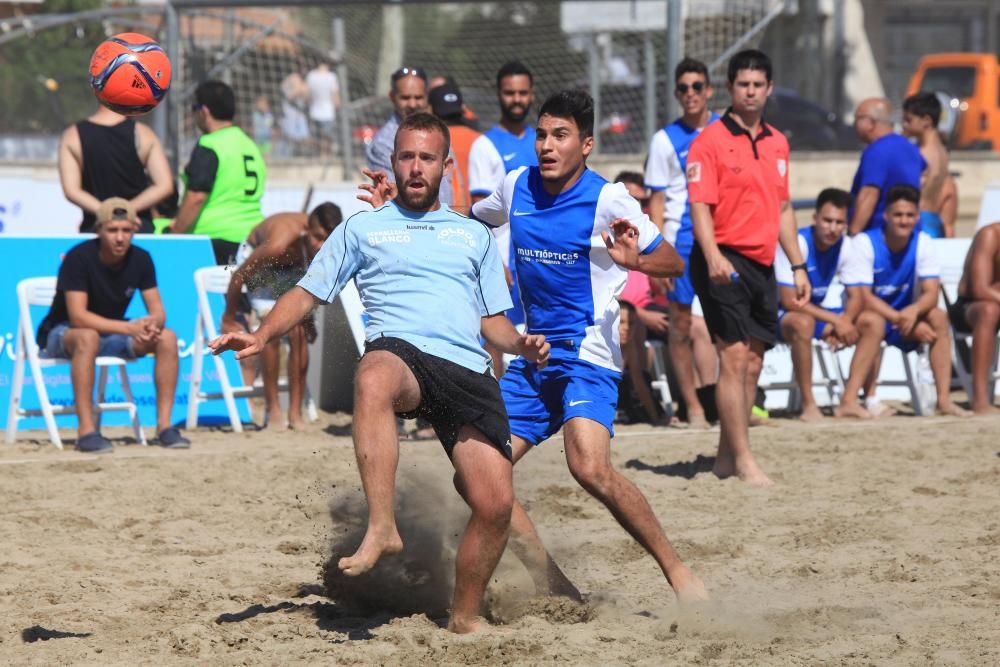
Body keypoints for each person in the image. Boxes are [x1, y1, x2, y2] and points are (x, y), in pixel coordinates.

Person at [211, 112, 549, 633]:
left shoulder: (472, 235)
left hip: (467, 370)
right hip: (403, 357)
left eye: (427, 158)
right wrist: (261, 335)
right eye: (407, 156)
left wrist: (522, 344)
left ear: (445, 166)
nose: (416, 167)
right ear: (393, 162)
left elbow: (492, 323)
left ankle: (463, 616)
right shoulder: (363, 228)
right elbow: (305, 293)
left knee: (495, 504)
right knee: (374, 374)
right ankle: (383, 526)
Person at [472, 89, 707, 603]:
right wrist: (404, 210)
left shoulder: (609, 199)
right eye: (541, 135)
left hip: (587, 356)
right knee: (476, 476)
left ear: (587, 144)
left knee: (588, 467)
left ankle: (679, 574)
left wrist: (636, 261)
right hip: (531, 357)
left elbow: (671, 260)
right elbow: (472, 217)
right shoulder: (516, 186)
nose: (547, 146)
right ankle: (553, 585)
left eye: (560, 136)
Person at [687, 49, 810, 486]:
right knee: (734, 357)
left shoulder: (778, 141)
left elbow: (784, 206)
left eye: (758, 85)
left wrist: (797, 264)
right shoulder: (709, 141)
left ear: (769, 88)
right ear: (731, 88)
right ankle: (744, 461)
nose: (751, 91)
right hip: (721, 259)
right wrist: (714, 254)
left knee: (753, 364)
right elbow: (699, 205)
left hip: (762, 262)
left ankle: (724, 459)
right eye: (743, 84)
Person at [35, 198, 189, 453]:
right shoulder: (78, 257)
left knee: (167, 337)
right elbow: (78, 318)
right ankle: (86, 432)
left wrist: (152, 324)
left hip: (108, 333)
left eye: (126, 230)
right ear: (99, 230)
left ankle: (164, 428)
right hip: (62, 333)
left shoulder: (141, 258)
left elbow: (158, 310)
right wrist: (130, 328)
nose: (120, 238)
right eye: (113, 230)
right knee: (87, 337)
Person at [838, 185, 970, 418]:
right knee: (873, 322)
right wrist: (900, 318)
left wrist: (913, 312)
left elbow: (931, 291)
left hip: (904, 317)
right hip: (869, 317)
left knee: (938, 316)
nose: (904, 221)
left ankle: (944, 400)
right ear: (886, 215)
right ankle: (850, 400)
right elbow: (862, 296)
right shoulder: (864, 243)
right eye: (898, 215)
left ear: (917, 216)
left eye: (909, 215)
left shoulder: (923, 242)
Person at [645, 57, 720, 428]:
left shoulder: (726, 130)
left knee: (726, 325)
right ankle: (692, 406)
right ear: (676, 93)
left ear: (709, 90)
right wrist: (658, 254)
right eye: (683, 88)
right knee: (680, 326)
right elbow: (656, 203)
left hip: (723, 240)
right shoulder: (664, 140)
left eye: (697, 86)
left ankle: (725, 401)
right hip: (682, 243)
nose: (690, 94)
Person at [221, 203, 343, 430]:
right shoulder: (278, 242)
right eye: (318, 238)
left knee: (299, 330)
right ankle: (273, 409)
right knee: (270, 329)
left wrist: (308, 320)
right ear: (307, 229)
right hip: (259, 263)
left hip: (291, 264)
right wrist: (228, 316)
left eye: (327, 239)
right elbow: (238, 276)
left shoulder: (324, 247)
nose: (322, 245)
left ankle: (295, 413)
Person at [468, 61, 538, 374]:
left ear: (532, 94)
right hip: (505, 259)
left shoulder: (543, 141)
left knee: (539, 330)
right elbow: (480, 211)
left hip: (540, 255)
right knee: (497, 333)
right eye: (510, 93)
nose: (517, 99)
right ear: (499, 94)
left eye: (523, 93)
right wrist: (495, 261)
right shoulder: (485, 146)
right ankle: (494, 408)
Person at [774, 188, 868, 420]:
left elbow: (858, 295)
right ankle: (809, 405)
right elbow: (789, 300)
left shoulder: (847, 245)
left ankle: (849, 400)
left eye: (839, 222)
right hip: (778, 314)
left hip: (816, 314)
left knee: (872, 322)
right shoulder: (796, 243)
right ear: (815, 219)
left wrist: (844, 321)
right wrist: (837, 321)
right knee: (803, 323)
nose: (833, 228)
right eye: (827, 220)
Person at [170, 80, 267, 265]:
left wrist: (175, 233)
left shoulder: (210, 144)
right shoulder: (250, 145)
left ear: (204, 111)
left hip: (213, 240)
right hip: (251, 239)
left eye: (194, 107)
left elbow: (196, 196)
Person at [58, 104, 173, 234]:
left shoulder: (72, 135)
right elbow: (164, 185)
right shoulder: (143, 133)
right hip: (136, 228)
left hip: (97, 229)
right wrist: (126, 211)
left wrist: (106, 212)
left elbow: (72, 190)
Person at [366, 66, 452, 206]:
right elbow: (393, 197)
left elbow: (453, 183)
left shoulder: (438, 133)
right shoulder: (383, 143)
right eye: (405, 98)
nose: (412, 104)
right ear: (392, 97)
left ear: (427, 96)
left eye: (418, 97)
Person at [848, 97, 926, 235]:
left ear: (871, 122)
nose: (854, 124)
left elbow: (869, 194)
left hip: (880, 237)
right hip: (911, 235)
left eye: (858, 118)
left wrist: (853, 234)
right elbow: (924, 179)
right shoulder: (910, 148)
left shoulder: (877, 151)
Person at [950, 222, 1000, 414]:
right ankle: (980, 400)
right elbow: (979, 288)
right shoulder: (990, 235)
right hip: (970, 307)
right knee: (989, 311)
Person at [429, 80, 485, 214]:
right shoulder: (481, 140)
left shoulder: (431, 141)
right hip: (476, 220)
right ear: (462, 109)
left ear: (431, 110)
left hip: (442, 217)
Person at [902, 92, 949, 238]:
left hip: (920, 223)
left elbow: (912, 188)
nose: (904, 125)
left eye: (908, 120)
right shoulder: (942, 151)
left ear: (926, 121)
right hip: (935, 220)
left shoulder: (920, 153)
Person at [305, 61, 341, 158]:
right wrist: (338, 106)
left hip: (314, 111)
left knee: (316, 137)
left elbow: (307, 95)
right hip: (328, 112)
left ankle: (316, 156)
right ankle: (324, 156)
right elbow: (335, 96)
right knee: (327, 137)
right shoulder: (331, 76)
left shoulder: (311, 75)